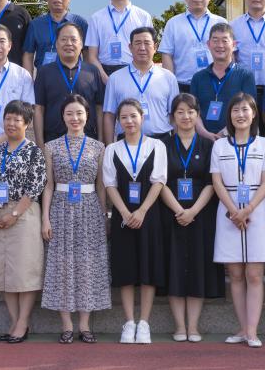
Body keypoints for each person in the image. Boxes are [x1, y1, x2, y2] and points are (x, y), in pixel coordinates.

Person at [41, 94, 110, 343]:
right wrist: (45, 218)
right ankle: (67, 325)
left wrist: (106, 215)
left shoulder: (98, 147)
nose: (75, 118)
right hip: (60, 209)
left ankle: (85, 324)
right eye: (69, 113)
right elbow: (48, 185)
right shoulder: (51, 146)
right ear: (62, 116)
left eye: (79, 113)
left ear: (87, 116)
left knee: (88, 264)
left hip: (90, 209)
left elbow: (101, 185)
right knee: (62, 264)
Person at [210, 93, 265, 348]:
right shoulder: (219, 146)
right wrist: (233, 211)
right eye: (236, 110)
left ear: (254, 113)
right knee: (236, 273)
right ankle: (242, 327)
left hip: (256, 210)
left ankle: (252, 330)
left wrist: (247, 209)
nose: (240, 115)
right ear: (229, 115)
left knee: (255, 274)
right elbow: (217, 181)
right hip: (227, 211)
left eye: (245, 110)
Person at [104, 98, 168, 344]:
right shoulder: (112, 149)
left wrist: (141, 211)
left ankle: (144, 323)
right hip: (123, 217)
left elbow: (158, 181)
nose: (129, 121)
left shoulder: (156, 145)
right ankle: (129, 321)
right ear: (118, 122)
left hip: (148, 215)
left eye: (133, 116)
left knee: (148, 268)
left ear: (142, 117)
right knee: (126, 268)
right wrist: (123, 212)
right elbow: (110, 184)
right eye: (124, 117)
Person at [159, 94, 222, 342]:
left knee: (198, 266)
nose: (186, 117)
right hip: (170, 212)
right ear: (172, 117)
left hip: (201, 213)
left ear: (198, 115)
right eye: (180, 112)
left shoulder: (209, 145)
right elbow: (160, 181)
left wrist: (193, 211)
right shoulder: (163, 145)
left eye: (191, 112)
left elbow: (212, 182)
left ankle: (193, 326)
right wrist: (179, 211)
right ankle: (179, 326)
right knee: (174, 266)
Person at [0, 100, 48, 342]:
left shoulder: (34, 152)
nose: (11, 123)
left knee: (24, 271)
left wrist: (14, 214)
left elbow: (34, 188)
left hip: (24, 213)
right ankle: (14, 321)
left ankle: (23, 322)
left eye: (17, 119)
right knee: (4, 272)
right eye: (8, 118)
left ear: (27, 123)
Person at [34, 21, 105, 144]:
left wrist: (100, 141)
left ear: (81, 44)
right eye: (64, 39)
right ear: (56, 44)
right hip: (53, 141)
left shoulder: (92, 71)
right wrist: (40, 144)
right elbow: (38, 109)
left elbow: (99, 108)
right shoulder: (44, 72)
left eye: (73, 39)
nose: (69, 43)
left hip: (88, 142)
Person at [102, 26, 177, 140]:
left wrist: (176, 146)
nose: (142, 48)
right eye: (137, 43)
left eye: (147, 43)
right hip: (126, 141)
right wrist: (109, 146)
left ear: (155, 47)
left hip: (162, 141)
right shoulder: (115, 78)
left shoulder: (168, 77)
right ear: (130, 47)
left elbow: (175, 115)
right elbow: (109, 115)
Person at [159, 0, 228, 92]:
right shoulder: (173, 23)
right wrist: (171, 86)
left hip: (216, 85)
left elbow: (229, 54)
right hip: (183, 87)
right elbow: (167, 55)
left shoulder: (221, 22)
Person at [85, 0, 153, 77]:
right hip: (103, 72)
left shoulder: (143, 16)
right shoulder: (96, 18)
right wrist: (105, 78)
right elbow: (92, 56)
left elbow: (148, 51)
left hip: (135, 72)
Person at [189, 23, 256, 138]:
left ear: (234, 45)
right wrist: (206, 134)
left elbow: (249, 111)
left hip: (235, 139)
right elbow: (193, 111)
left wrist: (224, 133)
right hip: (203, 139)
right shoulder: (198, 78)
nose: (220, 45)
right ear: (208, 44)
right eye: (215, 41)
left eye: (225, 41)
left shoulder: (245, 76)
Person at [22, 0, 88, 75]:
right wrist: (29, 81)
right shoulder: (35, 24)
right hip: (43, 79)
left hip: (73, 78)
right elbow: (28, 55)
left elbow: (87, 54)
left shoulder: (80, 23)